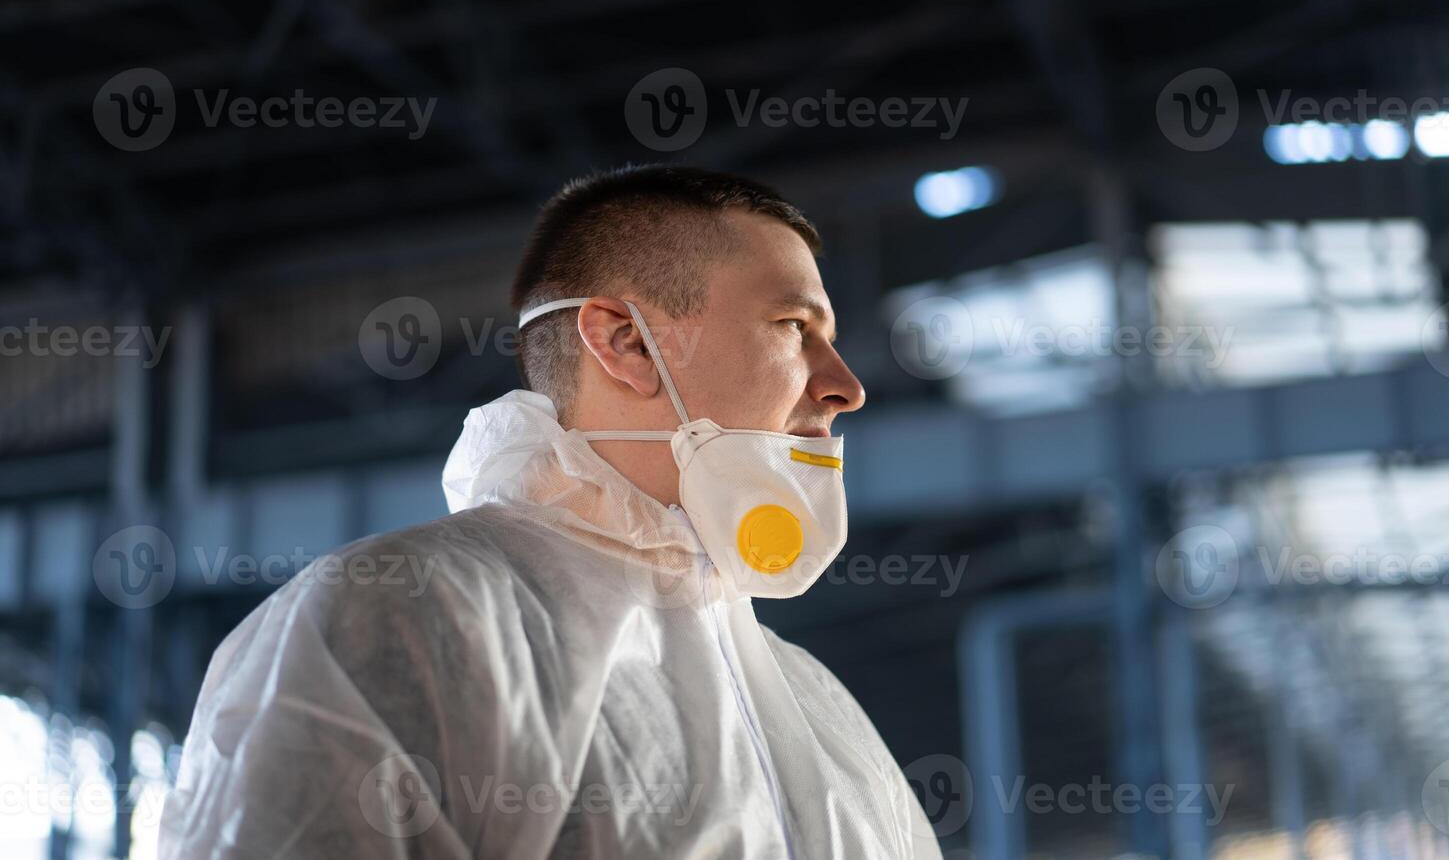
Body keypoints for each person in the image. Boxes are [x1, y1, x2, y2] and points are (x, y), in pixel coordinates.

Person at [160, 165, 943, 858]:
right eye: (794, 328)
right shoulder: (395, 620)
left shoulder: (823, 709)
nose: (845, 386)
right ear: (628, 341)